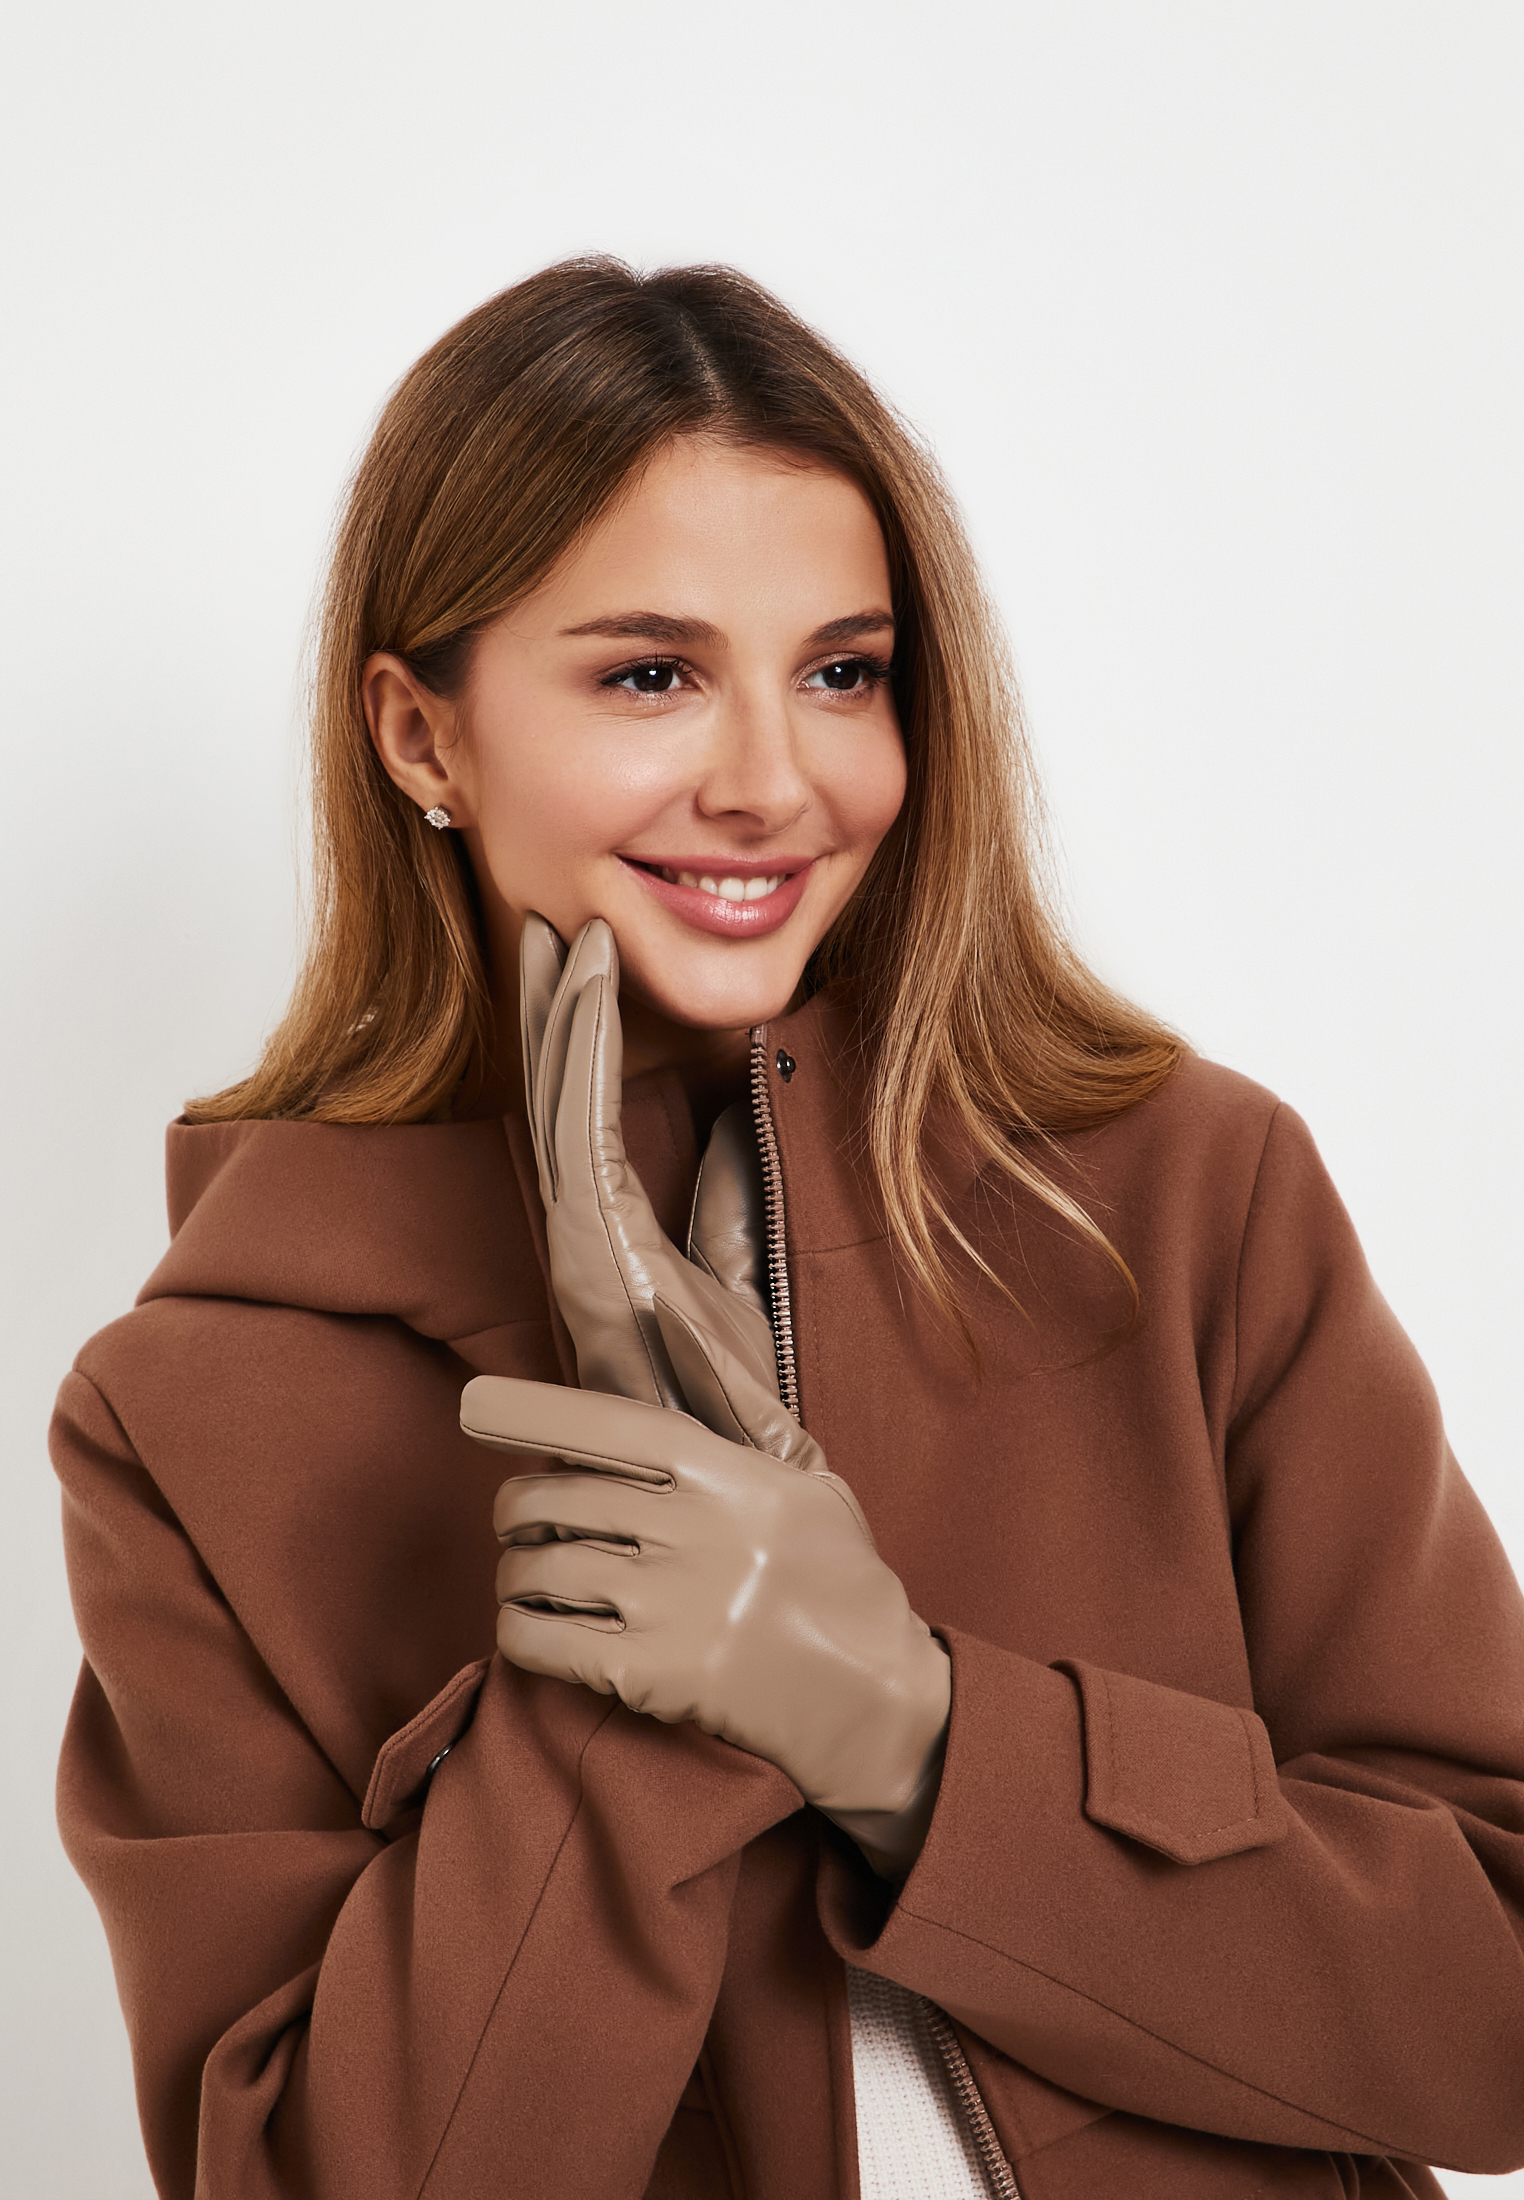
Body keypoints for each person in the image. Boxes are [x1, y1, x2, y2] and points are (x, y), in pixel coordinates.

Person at [51, 257, 1524, 2200]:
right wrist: (628, 1669)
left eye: (842, 671)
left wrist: (910, 1730)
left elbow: (1495, 2008)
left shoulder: (1179, 1195)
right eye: (650, 674)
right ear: (420, 735)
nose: (771, 783)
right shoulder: (193, 1414)